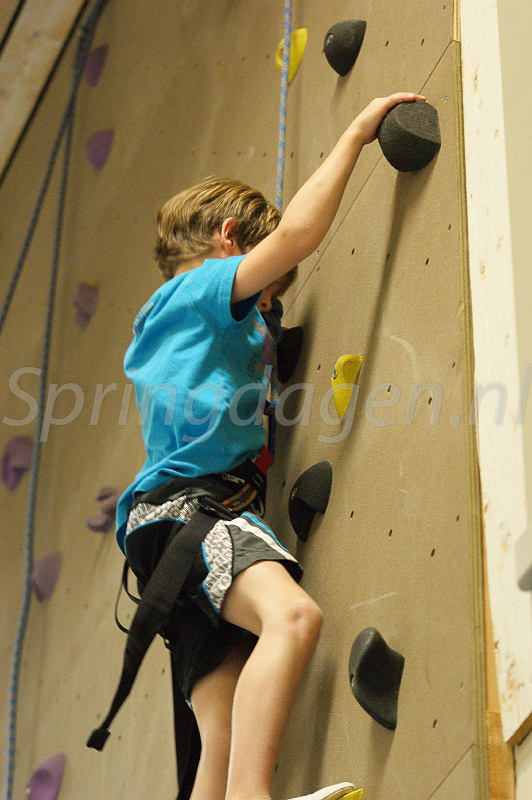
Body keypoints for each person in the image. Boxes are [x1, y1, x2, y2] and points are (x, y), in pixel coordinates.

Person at [114, 92, 426, 800]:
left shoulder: (177, 327)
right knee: (293, 617)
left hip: (164, 536)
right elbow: (297, 238)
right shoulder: (198, 293)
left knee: (220, 729)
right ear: (229, 240)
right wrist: (356, 133)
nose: (261, 307)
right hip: (192, 513)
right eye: (260, 292)